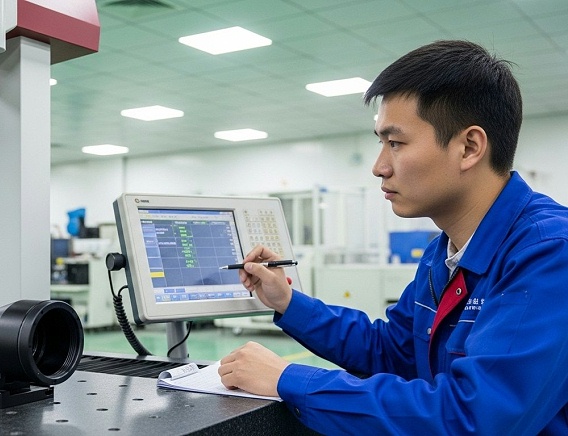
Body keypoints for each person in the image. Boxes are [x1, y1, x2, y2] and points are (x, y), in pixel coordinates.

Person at [218, 40, 568, 434]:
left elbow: (474, 418)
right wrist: (288, 301)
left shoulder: (550, 252)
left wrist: (289, 379)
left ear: (469, 147)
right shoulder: (445, 251)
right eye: (380, 143)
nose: (379, 166)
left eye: (396, 143)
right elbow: (390, 350)